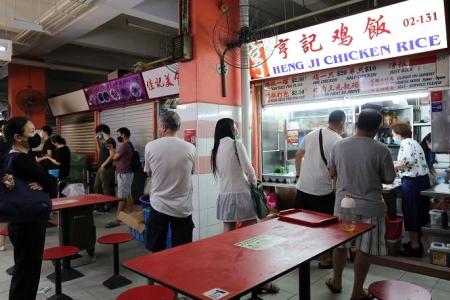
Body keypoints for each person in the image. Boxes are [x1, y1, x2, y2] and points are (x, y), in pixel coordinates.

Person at [326, 109, 396, 300]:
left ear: (356, 124)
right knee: (365, 249)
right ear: (377, 128)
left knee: (340, 246)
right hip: (370, 207)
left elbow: (332, 172)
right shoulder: (381, 149)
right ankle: (357, 291)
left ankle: (337, 281)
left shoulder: (339, 146)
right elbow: (389, 178)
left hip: (343, 205)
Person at [2, 116, 57, 300]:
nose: (37, 135)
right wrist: (46, 183)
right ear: (19, 137)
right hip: (29, 222)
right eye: (32, 131)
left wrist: (42, 183)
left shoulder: (9, 156)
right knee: (28, 273)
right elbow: (51, 182)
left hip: (19, 221)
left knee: (23, 271)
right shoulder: (21, 159)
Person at [295, 110, 346, 269]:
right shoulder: (338, 140)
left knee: (302, 225)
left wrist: (299, 175)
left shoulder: (311, 134)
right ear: (341, 123)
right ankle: (324, 260)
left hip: (303, 188)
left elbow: (298, 155)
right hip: (323, 191)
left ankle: (302, 257)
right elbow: (336, 170)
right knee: (325, 227)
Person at [144, 111, 195, 252]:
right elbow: (191, 171)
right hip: (182, 207)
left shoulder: (150, 146)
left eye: (160, 126)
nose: (159, 129)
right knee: (182, 250)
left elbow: (148, 172)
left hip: (159, 204)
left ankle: (157, 273)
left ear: (164, 127)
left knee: (155, 248)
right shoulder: (191, 148)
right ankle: (179, 274)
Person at [392, 122, 430, 257]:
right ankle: (416, 242)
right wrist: (395, 163)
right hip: (421, 180)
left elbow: (407, 161)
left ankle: (415, 247)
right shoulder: (413, 142)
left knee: (412, 213)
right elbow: (410, 161)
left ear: (398, 133)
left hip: (413, 182)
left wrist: (392, 167)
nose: (392, 136)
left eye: (393, 133)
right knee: (418, 212)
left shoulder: (405, 143)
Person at [105, 127, 134, 228]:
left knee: (121, 197)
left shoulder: (124, 145)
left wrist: (111, 151)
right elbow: (118, 155)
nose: (117, 136)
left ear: (123, 135)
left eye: (118, 134)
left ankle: (118, 220)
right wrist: (113, 149)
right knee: (128, 195)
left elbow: (114, 157)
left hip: (123, 174)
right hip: (127, 173)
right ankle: (131, 214)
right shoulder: (128, 145)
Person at [94, 124, 116, 212]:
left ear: (101, 132)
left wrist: (104, 165)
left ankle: (108, 206)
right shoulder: (104, 141)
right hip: (100, 167)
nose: (98, 135)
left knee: (106, 188)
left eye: (98, 133)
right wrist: (96, 140)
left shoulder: (111, 141)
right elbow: (100, 151)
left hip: (106, 168)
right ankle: (99, 205)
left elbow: (112, 155)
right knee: (96, 187)